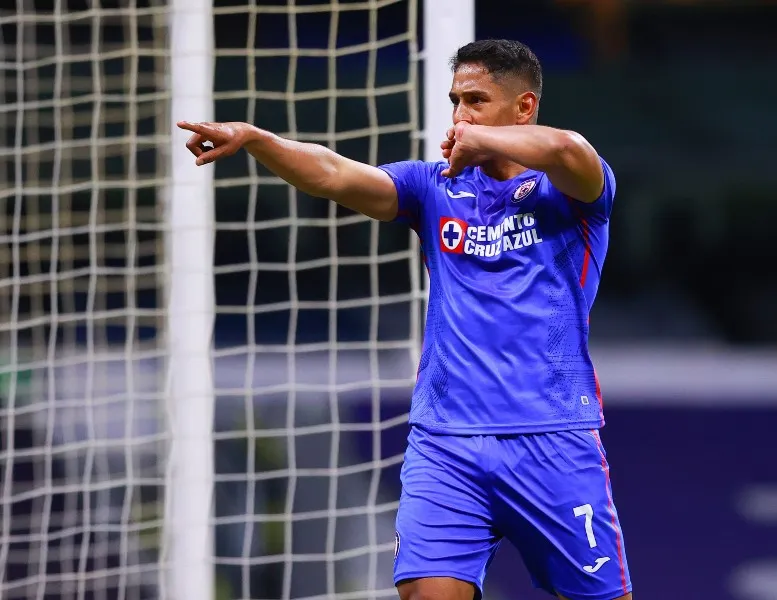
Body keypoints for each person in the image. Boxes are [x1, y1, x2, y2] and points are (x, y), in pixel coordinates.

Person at [179, 39, 632, 600]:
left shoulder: (573, 191)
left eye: (476, 100)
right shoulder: (434, 187)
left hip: (551, 436)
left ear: (524, 106)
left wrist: (480, 139)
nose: (460, 116)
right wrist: (258, 140)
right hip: (446, 443)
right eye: (454, 102)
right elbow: (333, 174)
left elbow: (569, 149)